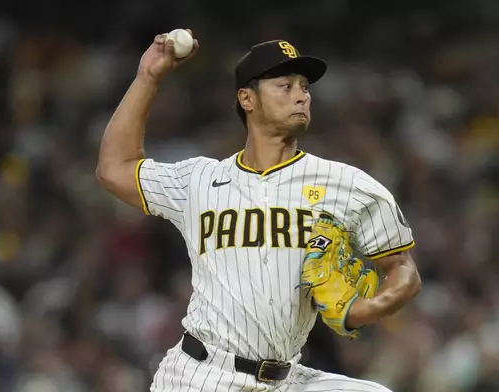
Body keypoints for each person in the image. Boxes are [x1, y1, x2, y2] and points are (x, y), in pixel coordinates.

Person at [96, 30, 422, 391]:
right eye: (285, 86)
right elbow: (114, 169)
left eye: (305, 87)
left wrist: (365, 309)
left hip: (286, 377)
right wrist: (148, 77)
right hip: (203, 375)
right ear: (247, 98)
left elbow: (402, 267)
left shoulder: (346, 184)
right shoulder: (199, 180)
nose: (301, 95)